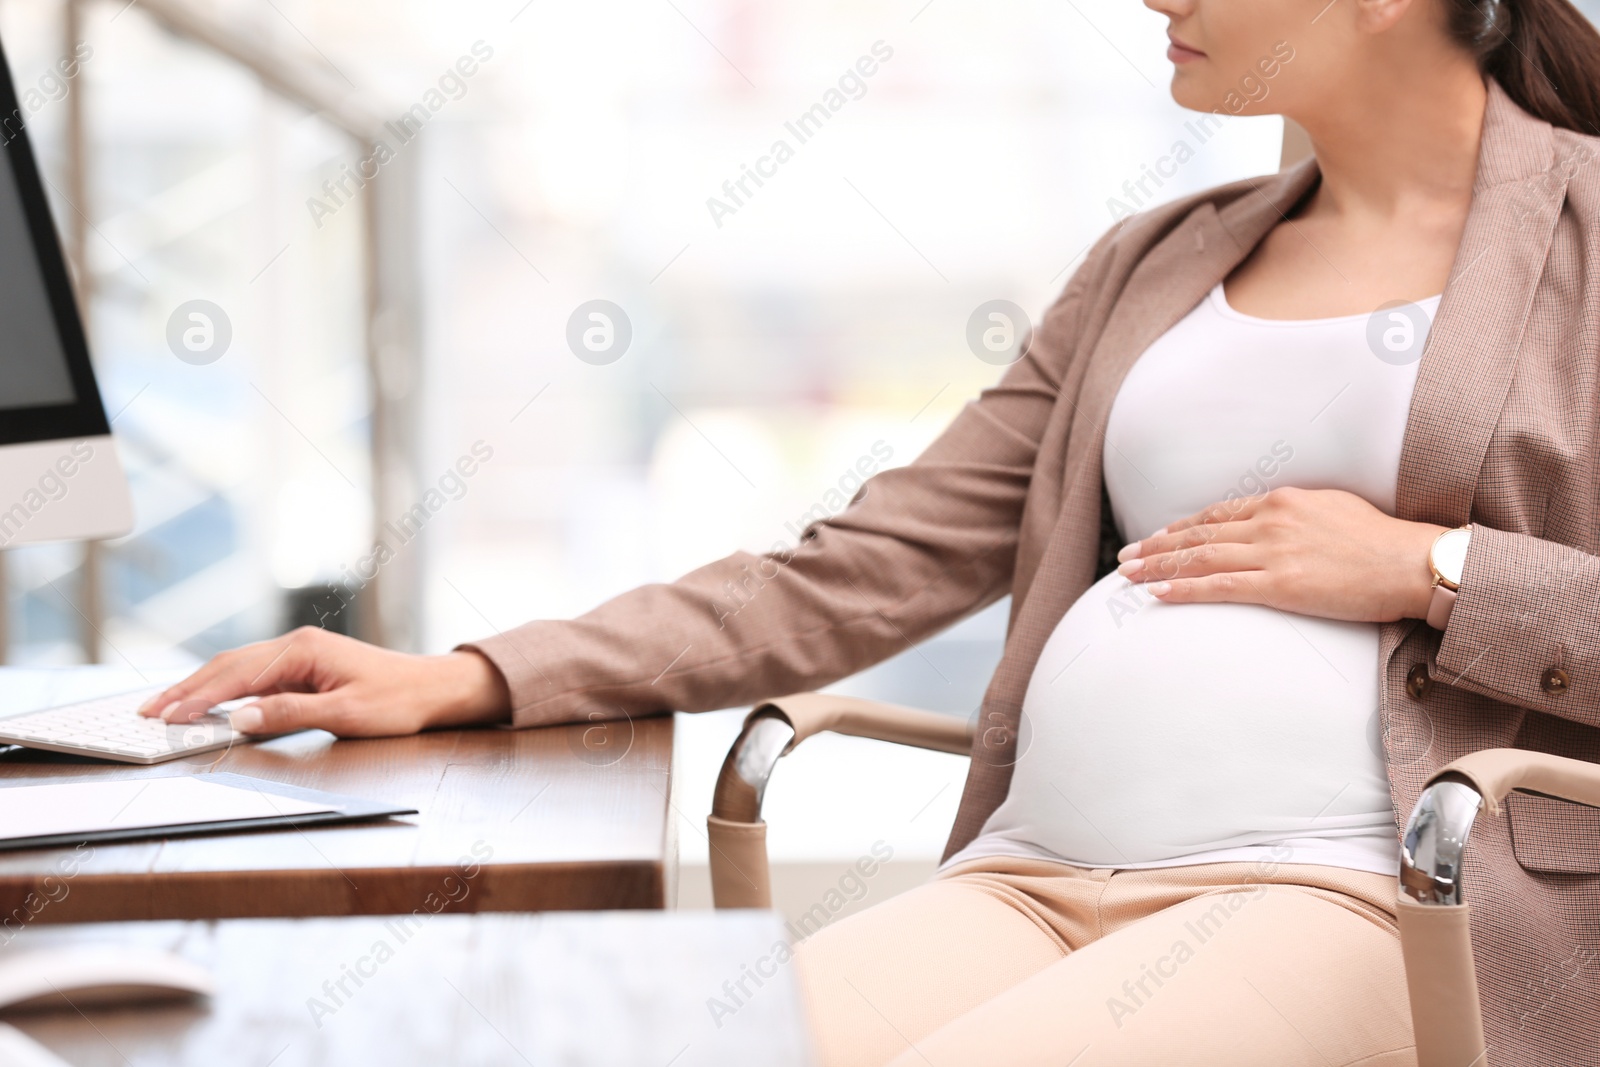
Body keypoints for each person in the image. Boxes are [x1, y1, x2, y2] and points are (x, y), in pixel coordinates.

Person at [140, 0, 1600, 1061]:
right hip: (1032, 873)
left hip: (1341, 893)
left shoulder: (1583, 235)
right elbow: (871, 560)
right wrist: (474, 672)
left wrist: (1430, 568)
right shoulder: (1160, 262)